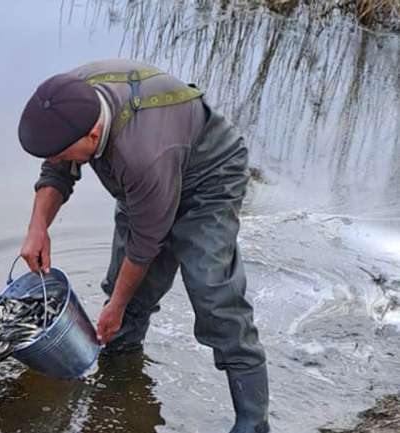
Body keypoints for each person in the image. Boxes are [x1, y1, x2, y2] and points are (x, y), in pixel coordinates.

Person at [17, 59, 270, 433]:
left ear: (93, 135)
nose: (54, 158)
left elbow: (145, 244)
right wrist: (37, 228)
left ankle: (253, 422)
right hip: (150, 178)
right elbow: (57, 169)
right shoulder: (68, 98)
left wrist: (116, 306)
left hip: (208, 178)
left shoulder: (140, 156)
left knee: (214, 296)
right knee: (128, 297)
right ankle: (120, 382)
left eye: (60, 152)